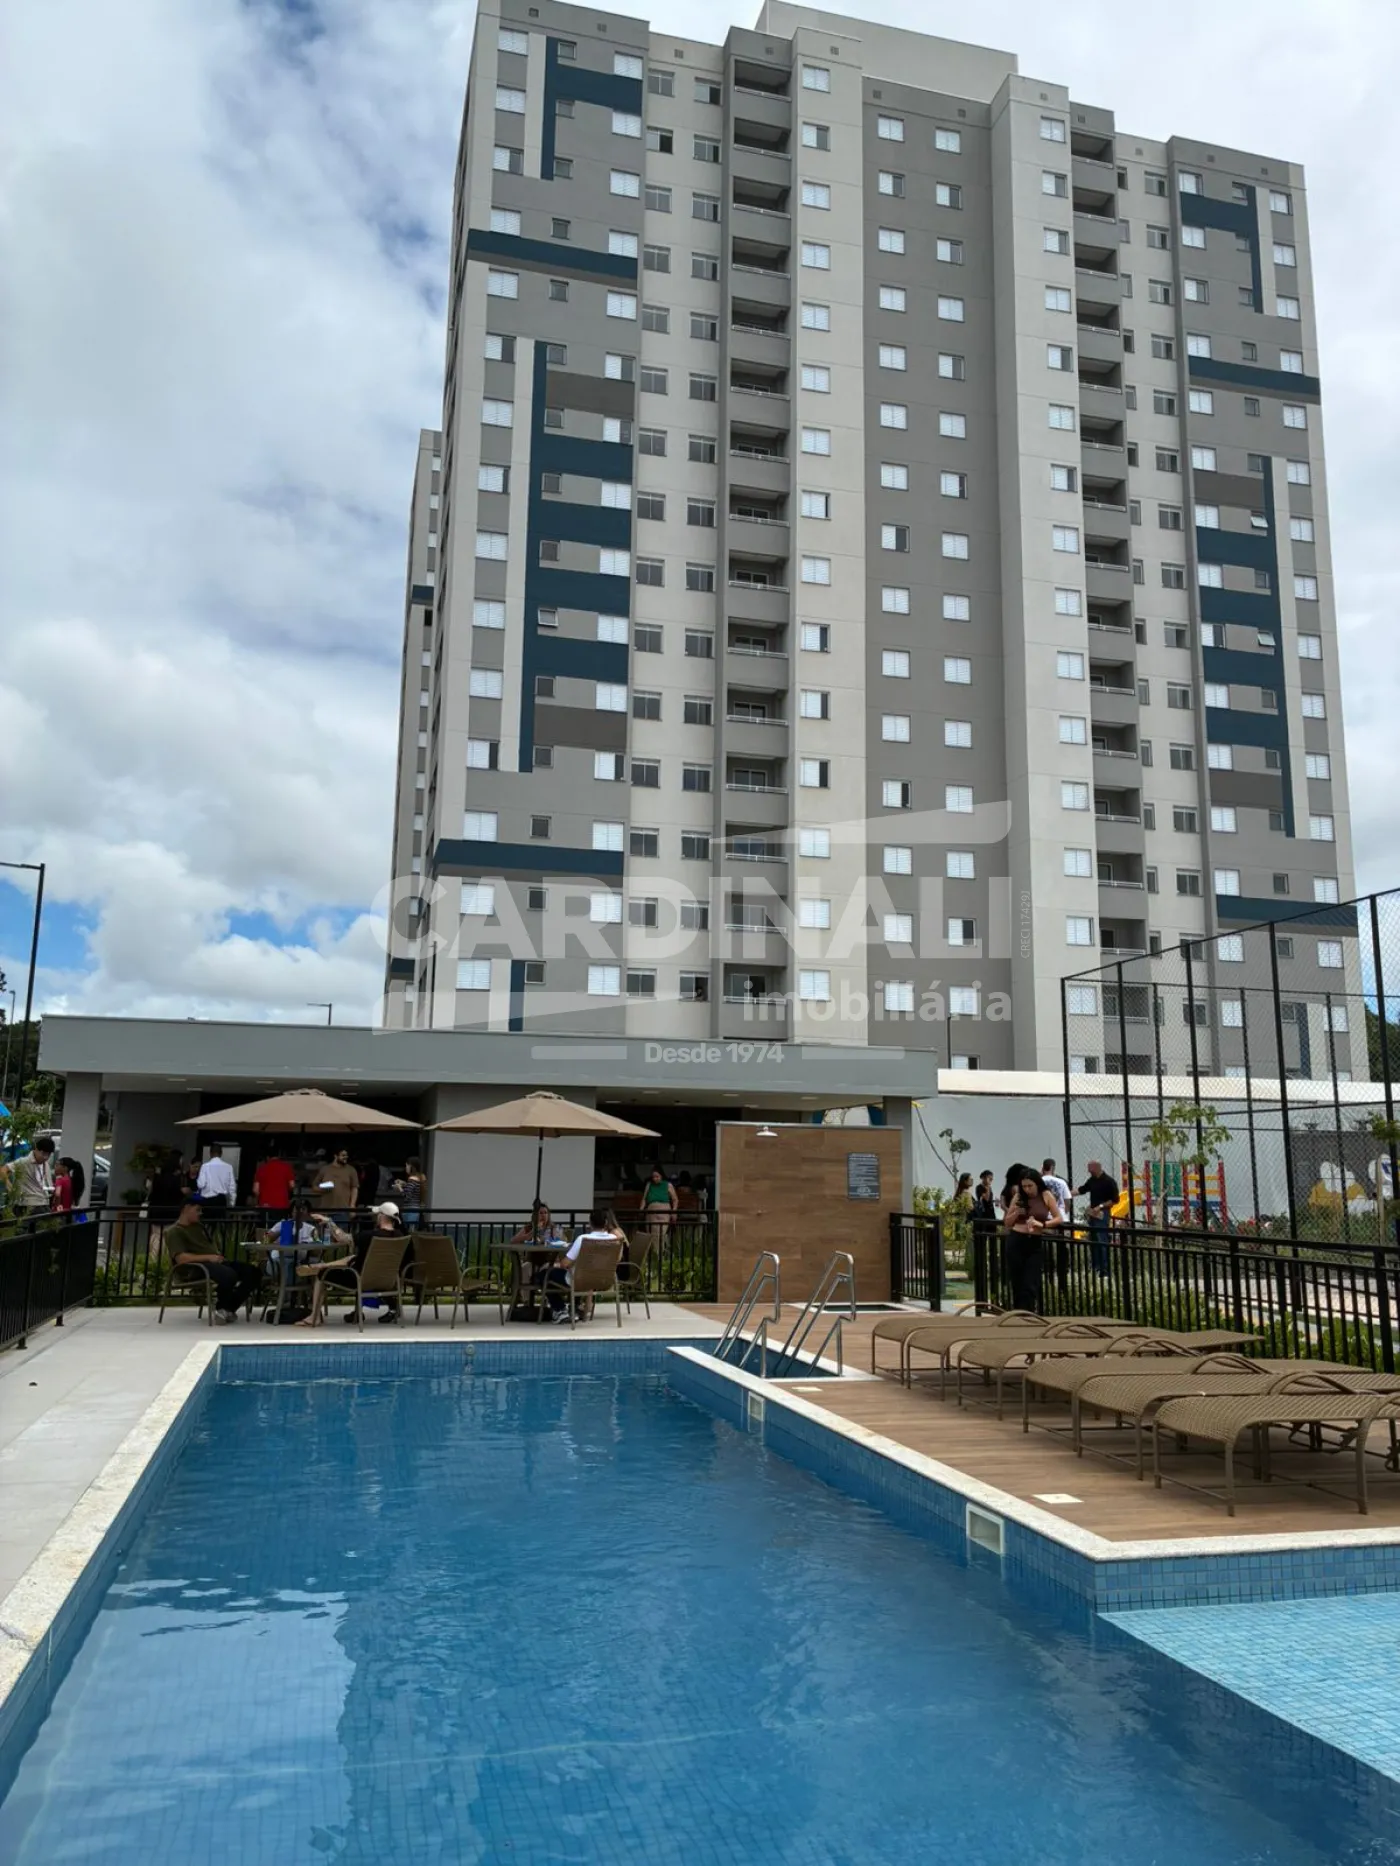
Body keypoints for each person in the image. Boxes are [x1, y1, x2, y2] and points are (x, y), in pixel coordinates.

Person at [298, 1200, 408, 1327]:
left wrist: (328, 1222)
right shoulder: (400, 1236)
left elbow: (343, 1238)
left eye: (378, 1214)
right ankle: (323, 1266)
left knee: (321, 1275)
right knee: (350, 1260)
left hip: (360, 1280)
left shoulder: (369, 1236)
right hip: (387, 1281)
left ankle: (315, 1316)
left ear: (382, 1216)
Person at [163, 1197, 263, 1323]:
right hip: (194, 1268)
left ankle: (227, 1309)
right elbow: (181, 1259)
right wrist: (209, 1257)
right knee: (228, 1275)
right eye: (197, 1210)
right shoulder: (174, 1231)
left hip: (213, 1263)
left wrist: (215, 1257)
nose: (200, 1213)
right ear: (186, 1209)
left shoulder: (198, 1227)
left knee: (254, 1272)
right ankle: (223, 1309)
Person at [1002, 1169, 1064, 1314]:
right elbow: (1007, 1222)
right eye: (1024, 1186)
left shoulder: (1046, 1195)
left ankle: (1028, 1312)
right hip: (1017, 1239)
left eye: (1030, 1186)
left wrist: (1042, 1224)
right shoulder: (1018, 1196)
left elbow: (1058, 1218)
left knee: (1031, 1281)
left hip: (1034, 1241)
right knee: (1017, 1280)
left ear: (1037, 1184)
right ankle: (1019, 1313)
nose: (1027, 1189)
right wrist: (1016, 1212)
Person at [542, 1210, 620, 1322]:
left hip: (580, 1280)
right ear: (606, 1223)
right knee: (579, 1273)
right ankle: (574, 1309)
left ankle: (560, 1310)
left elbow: (565, 1264)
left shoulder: (583, 1239)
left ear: (590, 1223)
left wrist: (555, 1264)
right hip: (604, 1280)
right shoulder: (614, 1239)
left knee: (544, 1275)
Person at [1078, 1158, 1120, 1276]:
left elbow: (1115, 1200)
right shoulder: (1092, 1180)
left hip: (1102, 1213)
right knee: (1094, 1240)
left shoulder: (1109, 1181)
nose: (1089, 1171)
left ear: (1097, 1167)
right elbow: (1082, 1190)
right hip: (1093, 1213)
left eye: (1090, 1169)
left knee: (1102, 1240)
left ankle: (1105, 1270)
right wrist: (1066, 1193)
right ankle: (1096, 1267)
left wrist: (1100, 1206)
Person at [13, 1137, 56, 1213]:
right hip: (27, 1204)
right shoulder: (24, 1162)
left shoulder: (46, 1165)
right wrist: (10, 1187)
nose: (45, 1157)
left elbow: (44, 1185)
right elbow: (4, 1170)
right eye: (43, 1153)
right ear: (36, 1149)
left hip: (42, 1203)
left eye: (48, 1154)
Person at [252, 1148, 296, 1215]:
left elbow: (255, 1190)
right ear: (278, 1156)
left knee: (266, 1221)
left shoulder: (261, 1169)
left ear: (267, 1157)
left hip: (265, 1205)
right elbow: (292, 1185)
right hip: (282, 1205)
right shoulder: (287, 1167)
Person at [318, 1148, 360, 1216]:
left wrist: (352, 1205)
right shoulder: (325, 1169)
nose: (346, 1157)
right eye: (343, 1155)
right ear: (336, 1156)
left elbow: (354, 1188)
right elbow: (316, 1186)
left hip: (343, 1209)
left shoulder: (351, 1170)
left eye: (346, 1155)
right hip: (325, 1209)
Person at [196, 1144, 237, 1210]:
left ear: (210, 1153)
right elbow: (232, 1187)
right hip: (221, 1201)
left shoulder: (205, 1166)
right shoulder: (228, 1167)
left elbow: (201, 1185)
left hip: (207, 1200)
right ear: (221, 1153)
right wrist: (232, 1203)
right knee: (219, 1216)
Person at [641, 1167, 677, 1239]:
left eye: (657, 1177)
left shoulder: (668, 1185)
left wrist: (674, 1211)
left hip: (664, 1211)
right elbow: (644, 1199)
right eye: (653, 1177)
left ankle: (659, 1245)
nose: (655, 1179)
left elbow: (675, 1199)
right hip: (651, 1211)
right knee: (651, 1232)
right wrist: (641, 1209)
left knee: (661, 1232)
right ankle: (654, 1246)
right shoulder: (649, 1185)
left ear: (661, 1176)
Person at [395, 1157, 426, 1226]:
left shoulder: (412, 1179)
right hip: (416, 1209)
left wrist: (399, 1187)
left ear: (412, 1167)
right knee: (413, 1229)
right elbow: (414, 1190)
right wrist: (405, 1183)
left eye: (407, 1165)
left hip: (409, 1210)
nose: (406, 1168)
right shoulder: (420, 1177)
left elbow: (407, 1197)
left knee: (409, 1230)